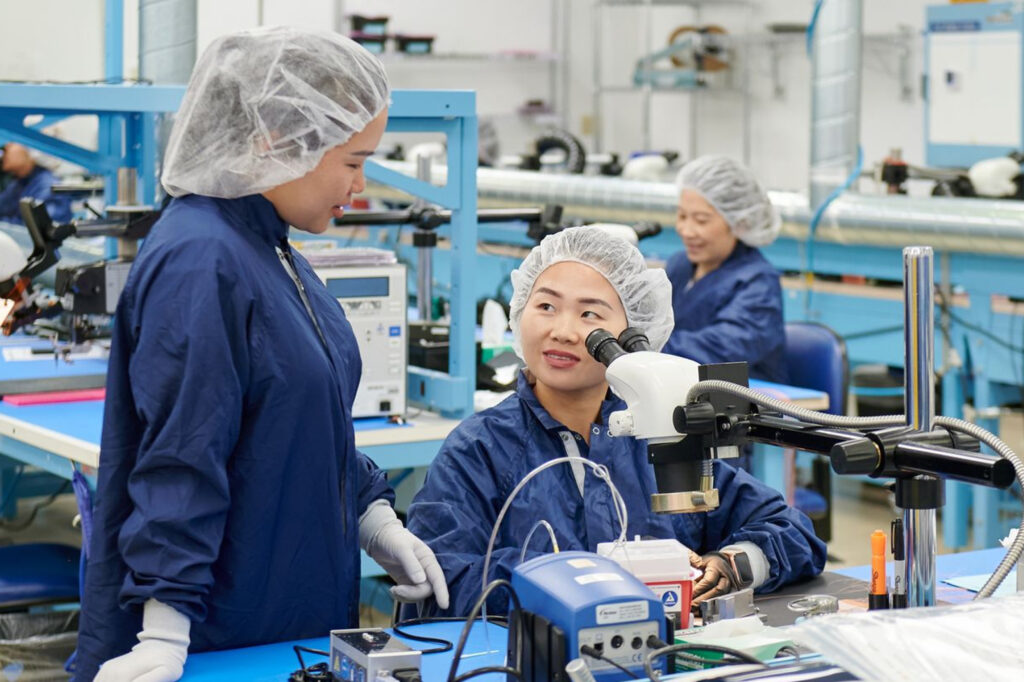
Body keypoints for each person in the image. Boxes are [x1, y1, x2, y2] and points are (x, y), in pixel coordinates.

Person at [74, 27, 447, 682]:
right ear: (279, 142)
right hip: (216, 634)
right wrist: (165, 631)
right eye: (353, 161)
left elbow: (296, 424)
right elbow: (182, 455)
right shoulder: (202, 259)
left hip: (285, 622)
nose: (360, 187)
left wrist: (373, 516)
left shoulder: (270, 250)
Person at [406, 226, 826, 617]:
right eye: (546, 306)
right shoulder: (479, 450)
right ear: (520, 314)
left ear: (633, 334)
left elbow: (791, 530)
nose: (564, 331)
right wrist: (595, 578)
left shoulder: (657, 434)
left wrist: (733, 565)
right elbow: (446, 578)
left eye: (591, 315)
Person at [662, 155, 787, 383]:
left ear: (739, 222)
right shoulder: (679, 267)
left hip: (742, 407)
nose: (686, 230)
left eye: (701, 220)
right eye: (681, 216)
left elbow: (722, 350)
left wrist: (644, 347)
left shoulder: (757, 282)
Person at [0, 142, 72, 224]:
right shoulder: (18, 184)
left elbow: (39, 227)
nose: (5, 147)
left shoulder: (48, 186)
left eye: (11, 142)